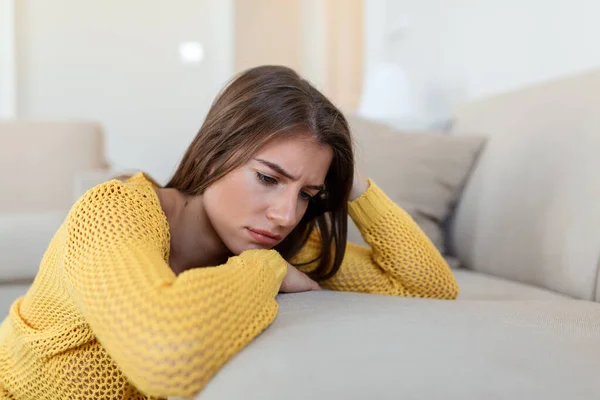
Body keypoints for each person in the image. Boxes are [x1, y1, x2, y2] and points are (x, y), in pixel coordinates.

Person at [0, 65, 459, 399]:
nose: (285, 214)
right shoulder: (113, 210)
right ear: (217, 152)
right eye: (268, 177)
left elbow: (429, 288)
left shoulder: (273, 236)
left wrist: (356, 185)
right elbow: (166, 357)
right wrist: (265, 270)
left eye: (307, 194)